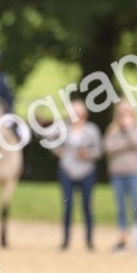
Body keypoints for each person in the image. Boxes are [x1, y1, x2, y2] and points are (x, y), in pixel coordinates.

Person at [54, 98, 102, 251]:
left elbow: (99, 151)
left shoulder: (92, 130)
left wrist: (88, 154)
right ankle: (66, 239)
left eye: (79, 112)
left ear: (85, 114)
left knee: (87, 206)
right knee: (68, 206)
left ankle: (89, 240)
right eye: (74, 112)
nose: (77, 115)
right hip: (67, 171)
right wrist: (59, 152)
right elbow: (53, 143)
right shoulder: (63, 129)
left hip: (86, 172)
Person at [103, 100, 137, 252]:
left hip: (136, 173)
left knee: (136, 206)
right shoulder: (112, 129)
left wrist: (128, 129)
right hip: (118, 174)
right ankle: (122, 240)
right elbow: (109, 147)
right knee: (121, 207)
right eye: (121, 112)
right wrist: (126, 143)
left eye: (127, 111)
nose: (124, 115)